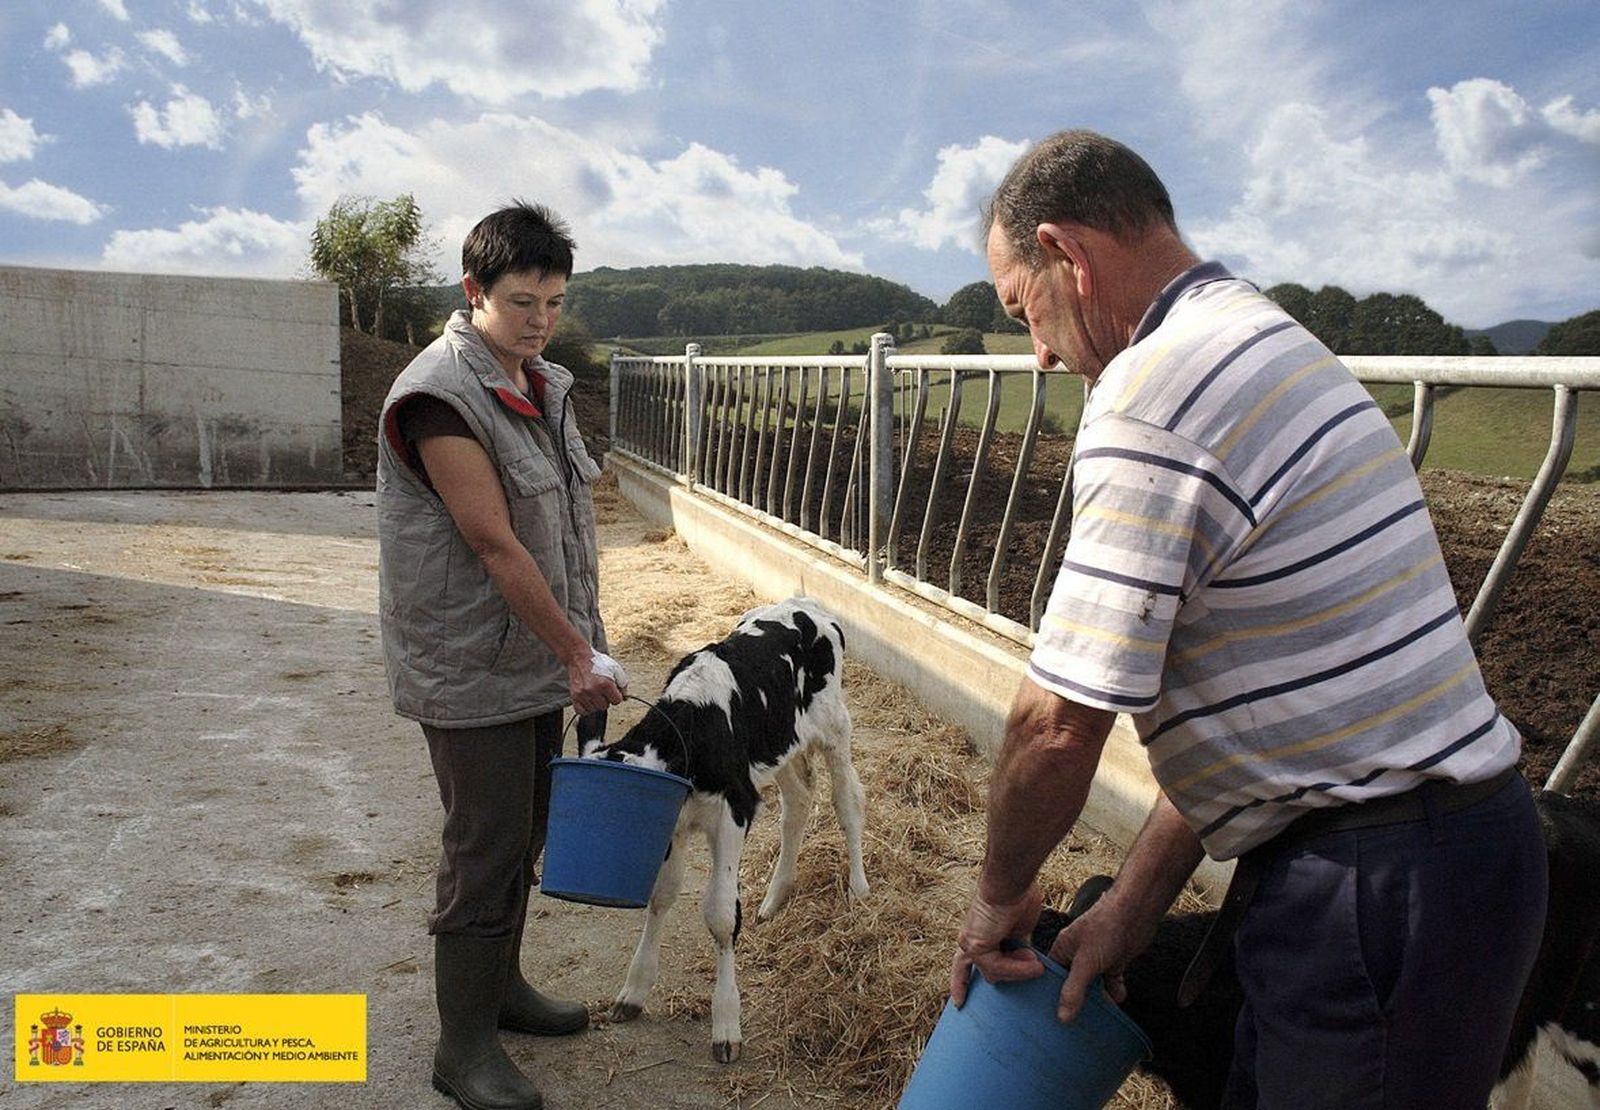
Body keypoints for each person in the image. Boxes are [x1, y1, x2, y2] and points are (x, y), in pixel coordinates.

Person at [949, 130, 1548, 1108]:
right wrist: (1135, 902)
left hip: (1378, 881)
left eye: (1026, 312)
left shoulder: (1153, 393)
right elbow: (1264, 694)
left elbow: (1054, 726)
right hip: (1401, 863)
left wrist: (996, 896)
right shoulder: (1255, 335)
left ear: (1067, 254)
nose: (1041, 354)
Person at [377, 200, 625, 1110]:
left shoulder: (538, 384)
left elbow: (561, 530)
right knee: (483, 847)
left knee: (526, 831)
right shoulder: (441, 394)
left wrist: (577, 644)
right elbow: (495, 545)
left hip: (531, 659)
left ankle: (504, 991)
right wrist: (580, 654)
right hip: (472, 664)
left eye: (555, 302)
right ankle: (463, 1049)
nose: (541, 320)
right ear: (473, 290)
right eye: (523, 301)